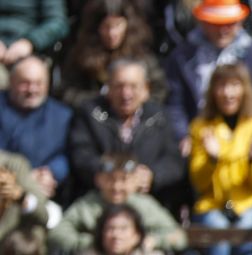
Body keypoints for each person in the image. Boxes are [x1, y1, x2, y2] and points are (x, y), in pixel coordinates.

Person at [188, 62, 252, 255]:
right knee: (216, 230)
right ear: (213, 91)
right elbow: (199, 181)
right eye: (222, 86)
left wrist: (251, 159)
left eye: (235, 85)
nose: (228, 93)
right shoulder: (201, 127)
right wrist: (213, 159)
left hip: (251, 203)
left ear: (245, 89)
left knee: (248, 227)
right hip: (213, 204)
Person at [68, 58, 184, 206]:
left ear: (146, 89)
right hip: (99, 201)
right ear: (108, 88)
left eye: (133, 86)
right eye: (119, 86)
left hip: (148, 202)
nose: (126, 94)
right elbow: (81, 155)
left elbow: (174, 161)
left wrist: (152, 176)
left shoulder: (160, 117)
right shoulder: (89, 113)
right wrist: (111, 172)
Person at [165, 0, 252, 139]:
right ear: (203, 22)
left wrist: (244, 110)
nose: (223, 30)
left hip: (242, 135)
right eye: (216, 24)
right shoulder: (183, 56)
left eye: (230, 23)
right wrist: (183, 135)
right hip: (199, 134)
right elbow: (174, 104)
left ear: (240, 22)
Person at [51, 153, 187, 255]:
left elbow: (178, 236)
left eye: (123, 180)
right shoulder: (87, 205)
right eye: (110, 179)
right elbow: (58, 233)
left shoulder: (145, 206)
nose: (117, 186)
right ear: (98, 180)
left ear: (135, 181)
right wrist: (95, 243)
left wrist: (151, 241)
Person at [61, 0, 162, 112]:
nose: (112, 33)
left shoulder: (141, 56)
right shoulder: (81, 56)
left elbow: (159, 89)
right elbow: (67, 91)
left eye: (117, 25)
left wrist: (136, 102)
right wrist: (99, 102)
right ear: (97, 28)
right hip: (93, 118)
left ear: (128, 25)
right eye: (106, 27)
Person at [0, 57, 69, 201]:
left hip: (41, 194)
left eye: (38, 83)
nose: (32, 89)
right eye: (25, 83)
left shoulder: (62, 116)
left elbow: (69, 154)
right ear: (11, 82)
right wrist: (23, 177)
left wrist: (51, 173)